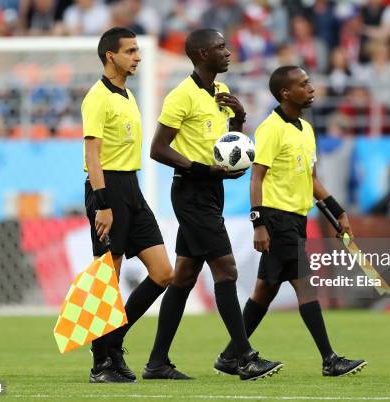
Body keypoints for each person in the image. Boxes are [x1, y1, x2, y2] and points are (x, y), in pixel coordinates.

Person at [146, 28, 283, 381]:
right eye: (220, 47)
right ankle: (244, 357)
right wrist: (202, 169)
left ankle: (157, 363)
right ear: (202, 54)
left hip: (211, 191)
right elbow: (158, 149)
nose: (228, 52)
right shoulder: (181, 96)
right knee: (227, 270)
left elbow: (230, 147)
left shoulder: (222, 92)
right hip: (190, 192)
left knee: (185, 276)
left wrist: (238, 120)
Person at [214, 66, 367, 377]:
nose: (311, 88)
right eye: (304, 84)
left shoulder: (306, 130)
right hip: (276, 218)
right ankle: (329, 359)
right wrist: (258, 223)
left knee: (264, 292)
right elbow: (257, 177)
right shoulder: (271, 129)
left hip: (297, 220)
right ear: (286, 93)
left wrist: (338, 212)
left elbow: (311, 179)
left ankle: (230, 355)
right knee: (305, 288)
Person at [82, 27, 174, 383]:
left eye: (138, 50)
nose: (137, 56)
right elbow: (93, 154)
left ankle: (114, 341)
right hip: (107, 190)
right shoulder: (97, 97)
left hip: (131, 188)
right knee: (109, 278)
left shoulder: (126, 95)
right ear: (111, 56)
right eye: (130, 51)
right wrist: (103, 204)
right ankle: (101, 363)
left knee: (163, 272)